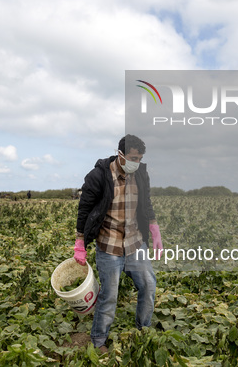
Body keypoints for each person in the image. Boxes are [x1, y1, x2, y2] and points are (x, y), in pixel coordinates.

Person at [73, 134, 163, 353]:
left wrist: (154, 228)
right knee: (109, 295)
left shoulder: (141, 173)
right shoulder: (98, 176)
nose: (137, 162)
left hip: (135, 242)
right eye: (133, 158)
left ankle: (143, 330)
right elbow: (85, 209)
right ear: (120, 155)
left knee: (149, 285)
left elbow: (147, 202)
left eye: (140, 158)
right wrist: (80, 241)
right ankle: (99, 340)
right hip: (109, 244)